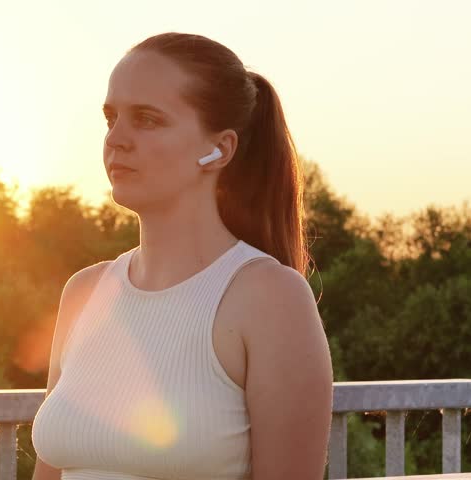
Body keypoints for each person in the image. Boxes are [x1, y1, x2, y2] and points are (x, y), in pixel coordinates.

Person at [30, 32, 333, 480]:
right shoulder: (84, 292)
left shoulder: (270, 297)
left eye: (147, 119)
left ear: (219, 150)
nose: (116, 139)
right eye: (111, 118)